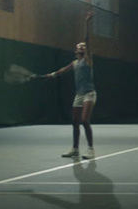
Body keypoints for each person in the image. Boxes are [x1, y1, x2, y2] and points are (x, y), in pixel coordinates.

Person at [37, 10, 97, 159]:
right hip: (79, 94)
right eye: (79, 46)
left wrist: (87, 23)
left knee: (84, 120)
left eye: (83, 46)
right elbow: (63, 70)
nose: (81, 47)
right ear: (76, 50)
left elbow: (87, 39)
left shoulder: (88, 60)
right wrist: (51, 75)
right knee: (75, 122)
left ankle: (90, 149)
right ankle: (75, 149)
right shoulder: (75, 63)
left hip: (89, 94)